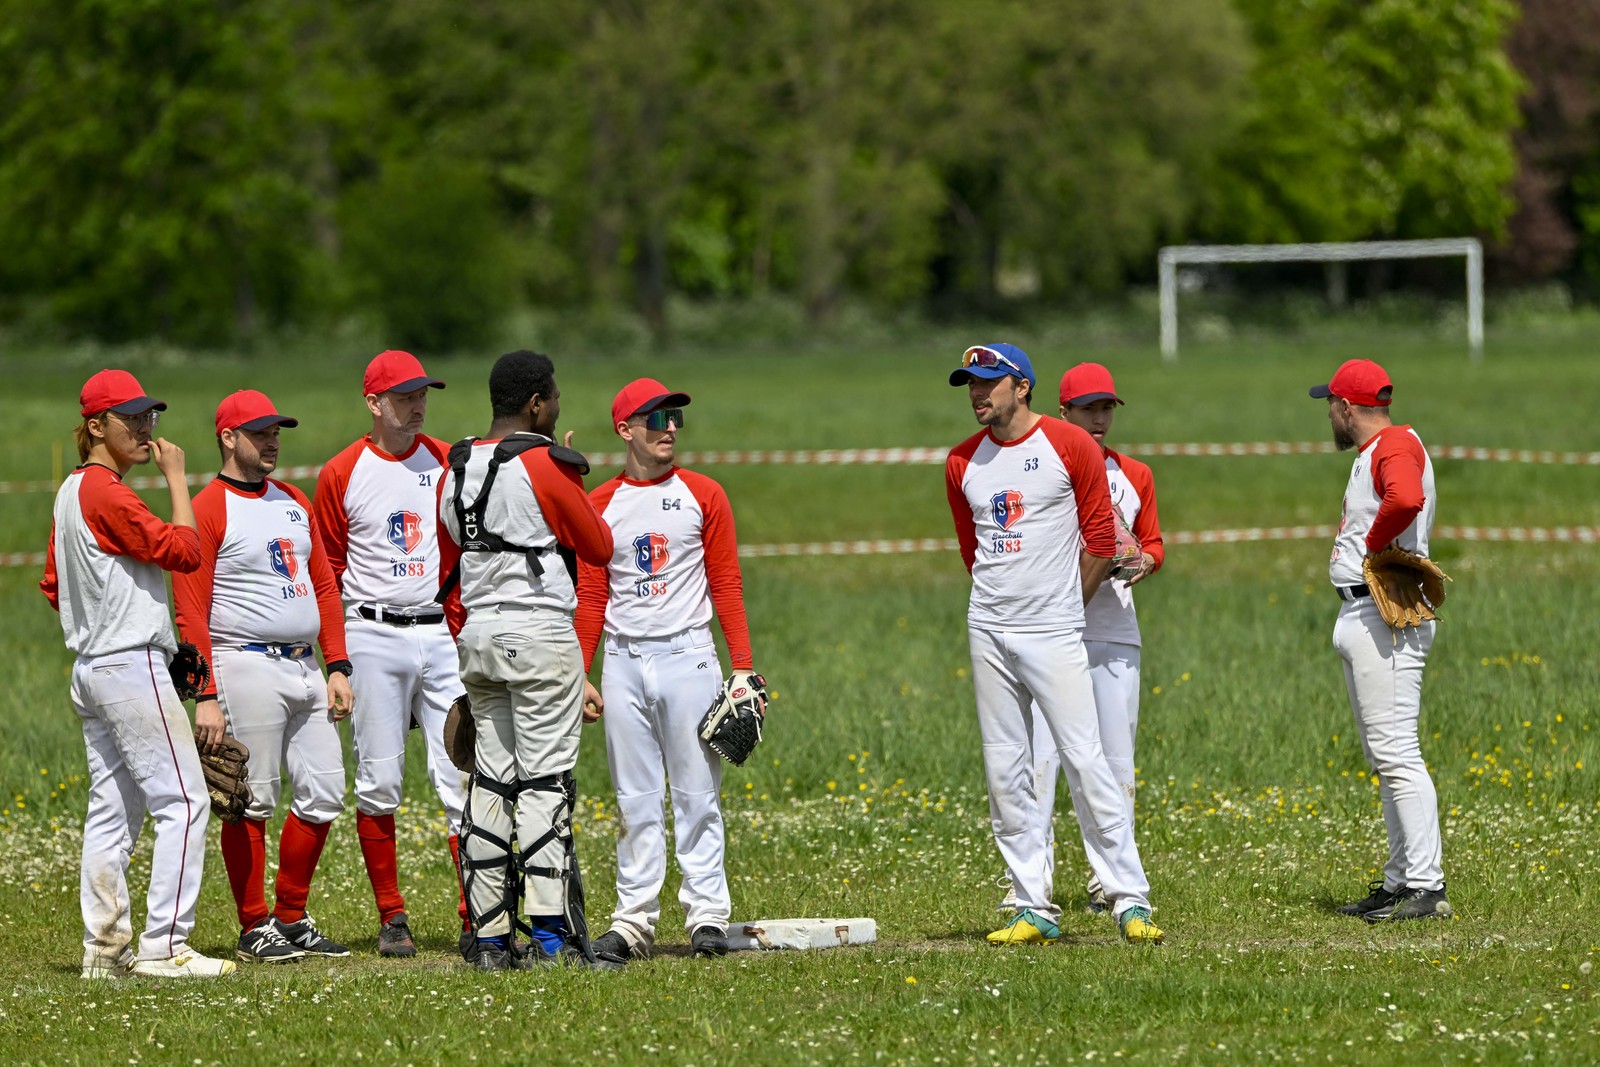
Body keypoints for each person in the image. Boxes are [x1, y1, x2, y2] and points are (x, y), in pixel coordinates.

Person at [944, 343, 1163, 946]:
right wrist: (1000, 606)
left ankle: (1129, 899)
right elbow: (972, 549)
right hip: (988, 627)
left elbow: (1100, 539)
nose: (977, 393)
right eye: (970, 383)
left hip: (1055, 627)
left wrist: (1065, 608)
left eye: (988, 382)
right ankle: (1031, 904)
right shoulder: (961, 461)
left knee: (1087, 760)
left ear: (1022, 387)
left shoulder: (1069, 445)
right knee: (1005, 766)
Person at [42, 369, 235, 979]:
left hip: (93, 668)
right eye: (131, 417)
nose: (146, 427)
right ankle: (165, 947)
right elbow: (185, 551)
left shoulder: (70, 492)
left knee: (112, 810)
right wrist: (178, 477)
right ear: (97, 426)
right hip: (129, 664)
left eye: (149, 415)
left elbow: (53, 585)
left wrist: (109, 611)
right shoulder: (106, 492)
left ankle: (103, 952)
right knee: (185, 800)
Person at [437, 349, 618, 971]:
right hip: (539, 635)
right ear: (536, 403)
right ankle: (550, 940)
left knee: (491, 783)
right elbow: (598, 546)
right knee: (544, 784)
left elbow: (451, 563)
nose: (558, 405)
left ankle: (490, 941)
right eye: (554, 396)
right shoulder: (544, 463)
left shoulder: (456, 465)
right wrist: (573, 478)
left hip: (478, 636)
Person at [575, 378, 762, 962]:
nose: (671, 428)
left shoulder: (704, 494)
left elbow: (726, 582)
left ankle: (707, 916)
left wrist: (742, 668)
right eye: (656, 419)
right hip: (623, 660)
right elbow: (591, 594)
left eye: (675, 417)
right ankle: (633, 923)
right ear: (625, 430)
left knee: (697, 794)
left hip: (689, 655)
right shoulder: (599, 503)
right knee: (634, 799)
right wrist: (582, 672)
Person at [173, 390, 355, 963]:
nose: (273, 440)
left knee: (325, 792)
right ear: (228, 438)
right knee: (250, 798)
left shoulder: (293, 499)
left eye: (276, 431)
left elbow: (323, 586)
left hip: (305, 665)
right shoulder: (209, 507)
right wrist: (204, 693)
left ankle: (292, 917)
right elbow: (190, 608)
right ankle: (254, 926)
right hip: (243, 662)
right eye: (260, 432)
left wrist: (337, 664)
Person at [313, 350, 471, 958]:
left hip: (439, 633)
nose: (417, 404)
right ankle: (392, 915)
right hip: (372, 633)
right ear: (374, 403)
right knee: (379, 778)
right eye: (404, 396)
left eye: (422, 393)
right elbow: (328, 570)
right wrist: (336, 656)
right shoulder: (343, 471)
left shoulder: (447, 461)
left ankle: (475, 913)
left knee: (462, 774)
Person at [1001, 363, 1165, 916]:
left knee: (1115, 762)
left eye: (1107, 408)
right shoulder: (1041, 466)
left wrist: (1145, 560)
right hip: (1046, 632)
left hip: (1113, 633)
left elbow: (1153, 543)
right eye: (1088, 408)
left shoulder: (1135, 474)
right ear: (1063, 410)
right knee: (1040, 763)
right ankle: (1030, 883)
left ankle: (1108, 883)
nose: (1099, 418)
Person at [1311, 359, 1451, 922]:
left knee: (1397, 752)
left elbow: (1406, 499)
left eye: (1331, 404)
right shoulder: (1381, 447)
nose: (1329, 414)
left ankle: (1427, 886)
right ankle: (1400, 881)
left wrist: (1372, 545)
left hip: (1383, 614)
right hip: (1365, 612)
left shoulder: (1392, 445)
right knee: (1384, 755)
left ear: (1347, 407)